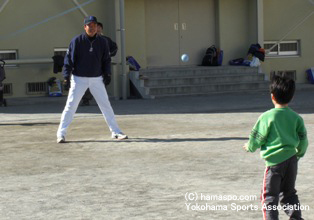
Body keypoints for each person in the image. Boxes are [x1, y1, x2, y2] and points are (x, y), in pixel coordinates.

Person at [243, 75, 308, 220]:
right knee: (289, 193)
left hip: (274, 164)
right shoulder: (296, 117)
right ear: (291, 97)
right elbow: (303, 139)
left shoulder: (267, 117)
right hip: (291, 160)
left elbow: (257, 137)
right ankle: (296, 217)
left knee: (269, 197)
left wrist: (250, 147)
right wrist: (299, 153)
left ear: (272, 97)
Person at [56, 16, 127, 143]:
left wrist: (108, 74)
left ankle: (116, 132)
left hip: (96, 79)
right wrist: (66, 77)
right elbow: (68, 61)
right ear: (85, 27)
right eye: (89, 25)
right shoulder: (77, 41)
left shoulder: (102, 42)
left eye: (94, 25)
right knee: (71, 106)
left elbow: (106, 60)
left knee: (106, 105)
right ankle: (61, 134)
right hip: (79, 79)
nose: (92, 27)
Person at [80, 21, 118, 106]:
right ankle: (86, 99)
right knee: (88, 83)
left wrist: (108, 54)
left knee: (103, 82)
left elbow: (114, 48)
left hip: (103, 65)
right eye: (97, 27)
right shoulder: (86, 40)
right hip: (90, 66)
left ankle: (101, 100)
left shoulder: (106, 40)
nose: (98, 29)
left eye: (99, 27)